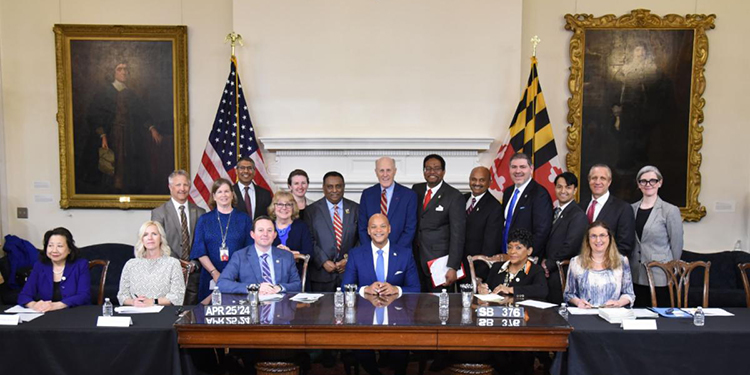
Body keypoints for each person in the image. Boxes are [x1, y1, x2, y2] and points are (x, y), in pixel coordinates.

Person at [342, 213, 419, 375]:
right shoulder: (356, 254)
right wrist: (364, 289)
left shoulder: (405, 254)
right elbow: (345, 288)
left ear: (389, 229)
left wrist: (396, 289)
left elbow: (416, 288)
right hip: (364, 317)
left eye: (383, 226)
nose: (378, 230)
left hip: (397, 316)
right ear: (368, 231)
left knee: (400, 352)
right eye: (374, 227)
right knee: (362, 349)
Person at [82, 59, 162, 194]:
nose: (124, 72)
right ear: (113, 72)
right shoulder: (105, 92)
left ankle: (126, 187)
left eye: (126, 69)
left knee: (129, 161)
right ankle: (112, 189)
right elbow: (95, 115)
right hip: (112, 134)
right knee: (112, 161)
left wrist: (152, 128)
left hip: (130, 135)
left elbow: (141, 113)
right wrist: (102, 135)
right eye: (120, 69)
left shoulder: (131, 94)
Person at [191, 178, 253, 301]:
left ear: (232, 194)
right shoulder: (204, 220)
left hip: (238, 277)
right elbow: (199, 251)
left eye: (226, 191)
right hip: (210, 276)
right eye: (219, 192)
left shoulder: (244, 219)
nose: (223, 195)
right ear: (214, 196)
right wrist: (214, 272)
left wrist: (233, 274)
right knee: (208, 315)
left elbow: (249, 250)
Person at [629, 165, 684, 307]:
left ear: (660, 183)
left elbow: (676, 244)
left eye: (652, 181)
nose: (648, 185)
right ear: (638, 184)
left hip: (660, 274)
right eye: (643, 181)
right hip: (635, 273)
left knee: (660, 319)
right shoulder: (631, 209)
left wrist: (672, 269)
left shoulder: (670, 210)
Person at [412, 154, 466, 292]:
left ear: (443, 171)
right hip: (416, 260)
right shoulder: (416, 190)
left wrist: (453, 267)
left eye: (436, 169)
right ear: (424, 171)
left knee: (438, 307)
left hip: (440, 264)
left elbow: (458, 234)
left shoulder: (454, 196)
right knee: (417, 306)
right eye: (428, 168)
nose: (432, 172)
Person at [151, 170, 206, 305]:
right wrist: (177, 264)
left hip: (194, 274)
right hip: (168, 274)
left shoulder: (200, 212)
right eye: (178, 185)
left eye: (185, 185)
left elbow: (201, 243)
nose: (182, 189)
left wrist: (193, 264)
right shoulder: (159, 213)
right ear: (170, 187)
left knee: (193, 317)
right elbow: (158, 244)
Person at [217, 216, 302, 294]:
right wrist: (254, 288)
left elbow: (297, 285)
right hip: (252, 305)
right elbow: (222, 283)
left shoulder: (286, 256)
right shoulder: (240, 256)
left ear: (275, 235)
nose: (265, 234)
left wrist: (280, 288)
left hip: (280, 306)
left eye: (269, 230)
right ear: (252, 234)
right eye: (260, 230)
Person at [305, 171, 359, 292]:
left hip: (348, 274)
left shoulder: (356, 209)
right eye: (330, 186)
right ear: (323, 188)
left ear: (343, 187)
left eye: (338, 186)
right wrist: (323, 261)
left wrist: (348, 259)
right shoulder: (311, 211)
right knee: (322, 310)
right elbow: (309, 239)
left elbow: (361, 239)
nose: (334, 190)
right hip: (321, 276)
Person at [564, 221, 635, 308]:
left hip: (613, 315)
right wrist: (579, 302)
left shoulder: (622, 261)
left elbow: (629, 294)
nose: (598, 240)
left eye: (602, 235)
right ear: (588, 240)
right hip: (585, 315)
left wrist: (618, 303)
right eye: (593, 236)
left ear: (609, 238)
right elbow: (568, 294)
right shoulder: (576, 262)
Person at [18, 227, 91, 311]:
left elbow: (84, 295)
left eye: (59, 246)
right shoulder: (39, 266)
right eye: (50, 246)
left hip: (74, 314)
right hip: (46, 315)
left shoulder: (80, 265)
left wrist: (56, 305)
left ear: (69, 249)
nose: (54, 250)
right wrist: (34, 305)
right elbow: (24, 295)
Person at [544, 172, 589, 304]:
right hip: (548, 273)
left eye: (568, 187)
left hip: (562, 272)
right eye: (559, 187)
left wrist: (549, 264)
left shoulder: (578, 215)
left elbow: (571, 246)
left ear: (575, 190)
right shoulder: (553, 212)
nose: (563, 191)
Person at [117, 221, 186, 306]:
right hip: (136, 311)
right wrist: (134, 302)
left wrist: (153, 302)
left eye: (154, 234)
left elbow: (177, 297)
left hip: (162, 314)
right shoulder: (130, 264)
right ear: (142, 239)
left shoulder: (173, 263)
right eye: (145, 235)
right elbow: (122, 296)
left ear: (161, 238)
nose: (150, 238)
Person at [358, 156, 417, 249]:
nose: (385, 174)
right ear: (376, 172)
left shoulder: (409, 195)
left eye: (388, 170)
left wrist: (395, 252)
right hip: (372, 254)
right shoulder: (367, 195)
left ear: (395, 171)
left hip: (400, 254)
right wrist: (372, 250)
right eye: (381, 170)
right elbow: (362, 228)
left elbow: (410, 229)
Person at [501, 153, 553, 257]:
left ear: (531, 168)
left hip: (526, 258)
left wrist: (525, 255)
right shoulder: (507, 192)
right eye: (514, 167)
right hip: (505, 255)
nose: (518, 171)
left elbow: (541, 232)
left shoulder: (539, 194)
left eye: (522, 167)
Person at [579, 164, 636, 256]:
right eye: (594, 178)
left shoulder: (623, 209)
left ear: (609, 182)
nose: (597, 182)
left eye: (602, 178)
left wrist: (601, 263)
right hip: (581, 264)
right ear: (589, 180)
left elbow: (625, 246)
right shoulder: (580, 207)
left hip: (609, 266)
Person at [477, 229, 547, 301]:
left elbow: (542, 291)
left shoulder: (535, 270)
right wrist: (483, 289)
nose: (512, 251)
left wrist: (510, 290)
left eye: (518, 248)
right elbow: (488, 288)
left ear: (529, 251)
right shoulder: (496, 267)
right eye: (509, 247)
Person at [463, 166, 503, 281]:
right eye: (473, 179)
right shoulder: (462, 199)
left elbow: (491, 244)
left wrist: (479, 273)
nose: (477, 183)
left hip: (477, 268)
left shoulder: (494, 207)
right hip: (459, 265)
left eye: (482, 180)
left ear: (490, 182)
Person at [269, 191, 314, 284]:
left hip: (298, 276)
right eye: (280, 204)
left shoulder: (302, 226)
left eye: (289, 204)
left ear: (293, 208)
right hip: (269, 276)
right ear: (274, 207)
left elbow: (310, 254)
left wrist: (290, 253)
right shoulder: (267, 226)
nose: (284, 208)